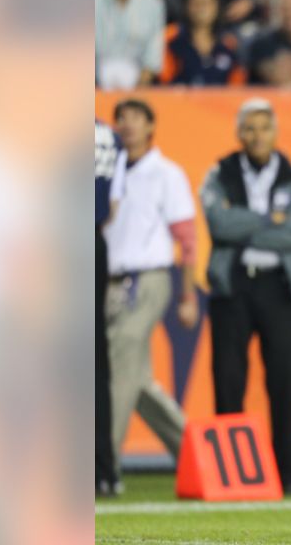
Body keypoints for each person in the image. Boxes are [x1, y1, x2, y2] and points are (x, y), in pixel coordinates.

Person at [201, 98, 291, 497]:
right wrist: (270, 221)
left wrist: (243, 225)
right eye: (248, 128)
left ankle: (287, 474)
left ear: (275, 132)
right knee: (228, 379)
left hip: (278, 285)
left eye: (263, 127)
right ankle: (230, 475)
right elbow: (218, 224)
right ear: (238, 133)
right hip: (232, 284)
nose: (256, 135)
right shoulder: (219, 172)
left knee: (286, 381)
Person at [103, 99, 198, 477]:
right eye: (120, 118)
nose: (126, 125)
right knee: (134, 378)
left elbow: (187, 239)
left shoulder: (167, 174)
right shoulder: (107, 171)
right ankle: (194, 451)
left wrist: (188, 295)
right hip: (109, 283)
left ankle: (102, 465)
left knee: (119, 352)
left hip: (150, 278)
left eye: (135, 118)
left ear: (151, 125)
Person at [95, 120, 128, 496]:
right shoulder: (109, 137)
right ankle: (104, 471)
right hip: (92, 243)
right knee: (95, 362)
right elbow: (113, 206)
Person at [161, 0, 245, 86]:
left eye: (206, 2)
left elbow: (237, 88)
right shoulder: (170, 36)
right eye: (195, 1)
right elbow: (164, 83)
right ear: (187, 5)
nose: (201, 7)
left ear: (216, 6)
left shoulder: (230, 43)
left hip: (220, 102)